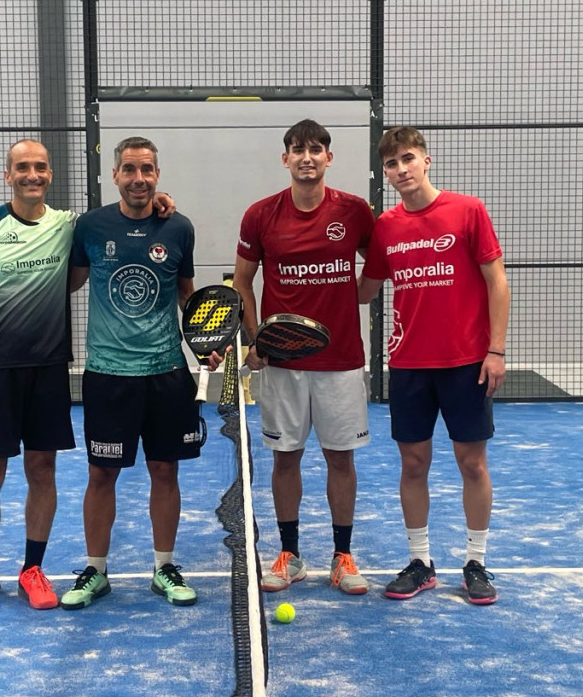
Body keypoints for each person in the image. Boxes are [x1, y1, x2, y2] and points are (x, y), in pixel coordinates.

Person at [359, 126, 510, 606]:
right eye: (391, 164)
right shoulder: (386, 227)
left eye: (408, 158)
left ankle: (476, 563)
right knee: (413, 463)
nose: (400, 169)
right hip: (409, 364)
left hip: (467, 362)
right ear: (385, 174)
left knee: (472, 464)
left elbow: (497, 282)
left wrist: (496, 350)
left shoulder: (468, 210)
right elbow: (364, 290)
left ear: (426, 161)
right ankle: (420, 562)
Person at [60, 137, 207, 609]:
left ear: (157, 175)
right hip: (108, 373)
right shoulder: (90, 226)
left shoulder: (179, 227)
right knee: (101, 473)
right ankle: (95, 571)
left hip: (166, 370)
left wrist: (207, 339)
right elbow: (68, 282)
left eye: (146, 169)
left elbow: (186, 295)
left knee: (164, 470)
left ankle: (164, 567)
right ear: (115, 175)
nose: (138, 178)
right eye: (129, 169)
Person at [233, 119, 377, 597]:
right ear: (286, 159)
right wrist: (256, 340)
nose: (307, 157)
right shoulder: (260, 215)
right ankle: (290, 555)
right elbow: (242, 282)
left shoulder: (354, 211)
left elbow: (378, 263)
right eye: (298, 150)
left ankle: (342, 556)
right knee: (285, 458)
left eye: (316, 149)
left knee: (340, 458)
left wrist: (356, 295)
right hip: (283, 364)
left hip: (341, 361)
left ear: (329, 158)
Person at [0, 138, 81, 610]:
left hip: (48, 369)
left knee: (42, 470)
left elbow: (119, 218)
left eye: (40, 167)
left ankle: (33, 571)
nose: (32, 174)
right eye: (22, 167)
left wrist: (163, 201)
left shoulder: (67, 226)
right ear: (8, 176)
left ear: (50, 175)